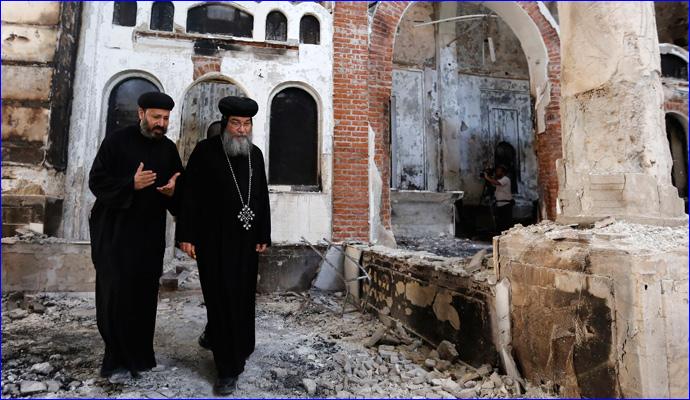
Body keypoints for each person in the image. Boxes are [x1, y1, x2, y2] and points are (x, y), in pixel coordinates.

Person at [176, 96, 271, 395]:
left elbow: (262, 196)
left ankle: (239, 345)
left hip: (245, 240)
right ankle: (226, 370)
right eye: (236, 124)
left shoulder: (255, 154)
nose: (242, 130)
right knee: (220, 297)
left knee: (242, 296)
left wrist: (263, 234)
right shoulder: (206, 152)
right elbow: (190, 195)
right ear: (225, 125)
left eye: (247, 124)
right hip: (213, 239)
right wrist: (187, 235)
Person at [88, 91, 183, 383]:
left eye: (166, 119)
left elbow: (179, 189)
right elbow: (97, 181)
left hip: (148, 236)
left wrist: (173, 192)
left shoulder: (168, 149)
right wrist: (131, 183)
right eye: (156, 117)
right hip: (114, 234)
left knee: (143, 296)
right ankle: (114, 358)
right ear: (141, 113)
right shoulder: (116, 142)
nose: (161, 123)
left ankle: (141, 356)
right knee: (114, 296)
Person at [482, 164, 513, 233]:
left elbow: (497, 183)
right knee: (501, 221)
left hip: (506, 204)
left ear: (503, 172)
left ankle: (507, 235)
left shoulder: (506, 179)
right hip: (500, 204)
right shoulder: (501, 180)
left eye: (498, 171)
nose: (496, 173)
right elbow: (494, 186)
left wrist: (487, 177)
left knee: (506, 222)